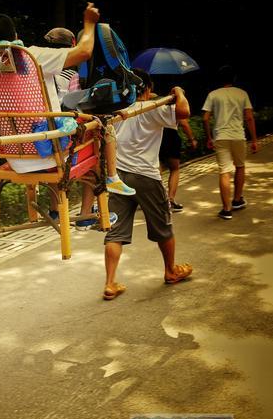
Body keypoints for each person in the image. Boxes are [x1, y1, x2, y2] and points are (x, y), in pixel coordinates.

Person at [0, 6, 133, 230]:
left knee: (63, 133)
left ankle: (56, 209)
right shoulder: (31, 56)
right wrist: (89, 23)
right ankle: (91, 211)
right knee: (99, 130)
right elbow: (83, 52)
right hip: (50, 153)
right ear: (15, 37)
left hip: (12, 156)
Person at [102, 69, 193, 300]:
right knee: (163, 225)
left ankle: (110, 283)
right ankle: (171, 271)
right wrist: (179, 92)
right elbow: (184, 111)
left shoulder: (117, 112)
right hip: (146, 177)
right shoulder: (153, 110)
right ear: (149, 89)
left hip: (119, 176)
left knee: (115, 231)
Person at [43, 27, 136, 230]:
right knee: (98, 145)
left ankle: (55, 210)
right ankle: (87, 212)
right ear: (73, 47)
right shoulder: (74, 76)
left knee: (54, 153)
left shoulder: (36, 75)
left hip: (42, 143)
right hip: (67, 141)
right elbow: (77, 107)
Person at [202, 65, 258, 220]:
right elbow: (249, 118)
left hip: (220, 137)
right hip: (238, 136)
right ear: (234, 79)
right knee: (240, 166)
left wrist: (209, 137)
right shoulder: (242, 93)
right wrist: (254, 140)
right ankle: (237, 199)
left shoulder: (213, 95)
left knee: (224, 171)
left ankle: (226, 209)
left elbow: (205, 118)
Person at [159, 121, 198, 212]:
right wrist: (192, 139)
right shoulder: (173, 106)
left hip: (154, 135)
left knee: (157, 168)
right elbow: (183, 122)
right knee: (174, 169)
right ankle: (170, 200)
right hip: (170, 134)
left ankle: (157, 200)